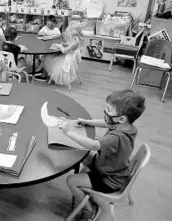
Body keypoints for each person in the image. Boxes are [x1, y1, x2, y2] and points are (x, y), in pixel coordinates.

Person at [58, 89, 146, 220]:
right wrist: (86, 122)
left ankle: (88, 210)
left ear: (121, 118)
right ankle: (85, 193)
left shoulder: (116, 138)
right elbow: (106, 123)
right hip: (114, 169)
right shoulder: (127, 127)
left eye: (108, 110)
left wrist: (68, 132)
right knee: (81, 154)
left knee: (71, 181)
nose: (105, 111)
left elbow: (93, 145)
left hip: (108, 179)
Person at [43, 24, 83, 89]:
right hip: (71, 58)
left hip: (67, 60)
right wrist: (64, 44)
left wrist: (61, 46)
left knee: (49, 58)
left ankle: (48, 76)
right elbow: (70, 45)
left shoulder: (74, 43)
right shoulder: (76, 41)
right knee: (51, 57)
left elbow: (64, 51)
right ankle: (46, 75)